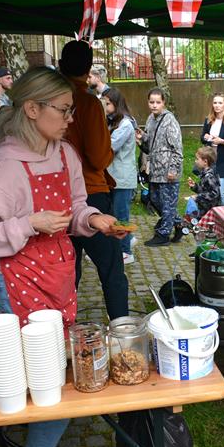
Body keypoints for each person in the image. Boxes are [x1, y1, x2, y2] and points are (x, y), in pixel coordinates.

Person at [0, 66, 126, 447]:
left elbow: (74, 206)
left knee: (56, 371)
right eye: (64, 110)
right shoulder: (5, 167)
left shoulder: (64, 153)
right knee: (47, 374)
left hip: (59, 273)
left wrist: (93, 218)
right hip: (18, 282)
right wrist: (27, 224)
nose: (71, 118)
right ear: (32, 110)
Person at [58, 40, 129, 320]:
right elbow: (99, 157)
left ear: (62, 66)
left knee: (67, 270)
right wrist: (110, 150)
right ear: (88, 70)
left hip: (55, 196)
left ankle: (64, 330)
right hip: (90, 193)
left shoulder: (49, 101)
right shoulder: (87, 103)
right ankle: (123, 331)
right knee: (111, 269)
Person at [136, 88, 184, 246]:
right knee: (155, 200)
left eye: (158, 102)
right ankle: (178, 223)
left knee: (167, 202)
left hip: (168, 170)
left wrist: (173, 169)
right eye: (151, 102)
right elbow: (150, 143)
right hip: (155, 170)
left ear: (164, 102)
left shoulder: (170, 120)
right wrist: (142, 137)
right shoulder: (151, 119)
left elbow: (177, 148)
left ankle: (163, 234)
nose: (154, 105)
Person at [102, 87, 137, 265]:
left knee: (121, 214)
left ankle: (126, 251)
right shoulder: (112, 121)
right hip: (113, 176)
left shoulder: (125, 124)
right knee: (112, 213)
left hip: (122, 178)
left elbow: (109, 146)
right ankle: (123, 243)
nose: (104, 107)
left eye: (107, 104)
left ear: (116, 104)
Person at [200, 92, 224, 206]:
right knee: (209, 192)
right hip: (211, 162)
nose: (217, 105)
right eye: (215, 102)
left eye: (220, 103)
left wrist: (221, 141)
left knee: (218, 194)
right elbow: (202, 137)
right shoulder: (208, 120)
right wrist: (207, 138)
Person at [186, 146, 221, 219]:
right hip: (204, 207)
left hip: (208, 210)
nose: (195, 161)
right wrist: (195, 186)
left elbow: (214, 194)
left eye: (197, 159)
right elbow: (204, 190)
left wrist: (197, 197)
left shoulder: (209, 176)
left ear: (205, 162)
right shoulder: (204, 174)